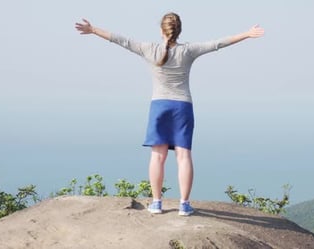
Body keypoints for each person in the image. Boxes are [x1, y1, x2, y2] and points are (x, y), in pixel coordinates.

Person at [75, 12, 264, 216]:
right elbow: (218, 43)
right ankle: (184, 204)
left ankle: (156, 203)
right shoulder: (189, 50)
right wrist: (246, 33)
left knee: (157, 156)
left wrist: (93, 30)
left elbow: (121, 40)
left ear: (161, 30)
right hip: (183, 107)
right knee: (184, 156)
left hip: (159, 106)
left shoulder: (149, 49)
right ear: (179, 30)